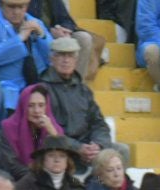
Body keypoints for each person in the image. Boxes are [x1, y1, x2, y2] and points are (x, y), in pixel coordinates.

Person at [41, 34, 117, 169]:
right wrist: (77, 147)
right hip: (61, 148)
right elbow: (47, 129)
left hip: (88, 146)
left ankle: (104, 188)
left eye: (70, 56)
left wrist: (98, 145)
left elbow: (99, 123)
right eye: (61, 55)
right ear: (52, 59)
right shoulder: (42, 89)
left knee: (120, 151)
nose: (66, 60)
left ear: (76, 60)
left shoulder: (84, 90)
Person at [0, 0, 51, 115]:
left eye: (21, 7)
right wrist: (19, 39)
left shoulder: (35, 22)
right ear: (1, 5)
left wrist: (42, 36)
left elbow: (53, 58)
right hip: (5, 87)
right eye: (11, 7)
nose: (16, 11)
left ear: (27, 6)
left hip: (37, 84)